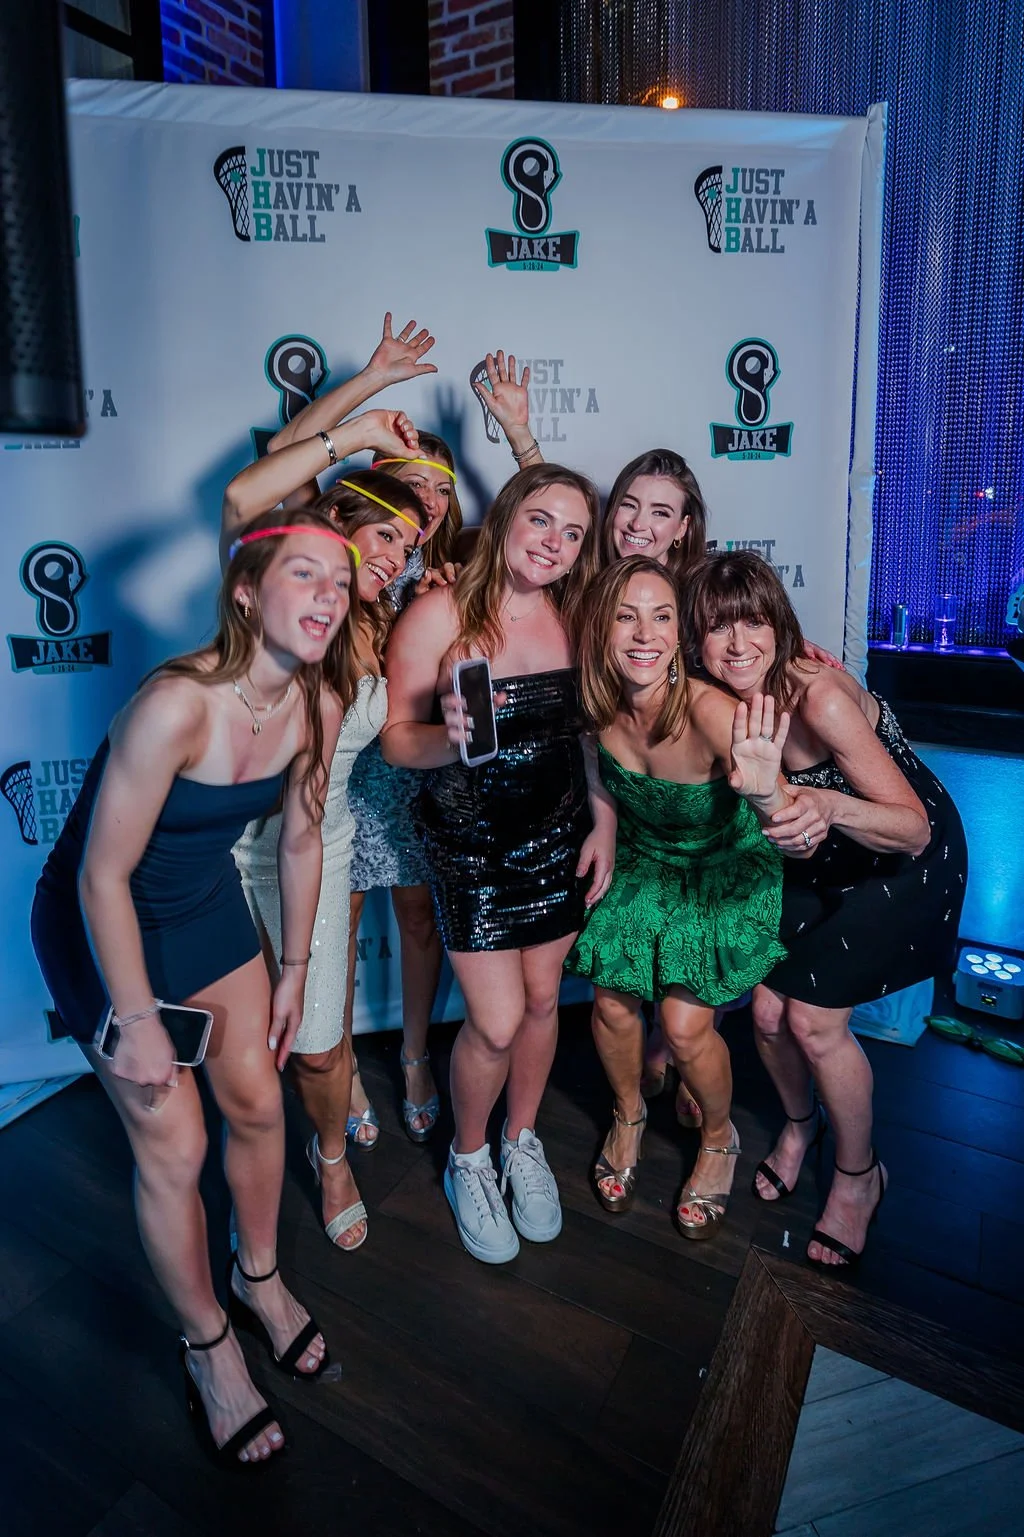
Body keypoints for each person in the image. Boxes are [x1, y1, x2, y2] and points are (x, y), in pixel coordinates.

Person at [30, 510, 359, 1464]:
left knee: (259, 1100)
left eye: (339, 583)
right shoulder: (177, 703)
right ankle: (209, 1348)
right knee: (174, 1140)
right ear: (248, 592)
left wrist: (294, 965)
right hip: (102, 923)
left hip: (203, 902)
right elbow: (98, 878)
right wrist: (131, 1018)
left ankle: (257, 1276)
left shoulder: (318, 701)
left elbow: (300, 836)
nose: (330, 596)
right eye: (306, 575)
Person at [688, 549, 968, 1269]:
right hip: (823, 851)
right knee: (768, 1011)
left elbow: (913, 827)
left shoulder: (822, 697)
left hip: (903, 852)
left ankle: (858, 1176)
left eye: (752, 621)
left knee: (812, 1021)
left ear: (779, 624)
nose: (738, 643)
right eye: (719, 629)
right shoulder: (718, 702)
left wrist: (825, 801)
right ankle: (798, 1123)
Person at [380, 463, 615, 1264]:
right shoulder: (437, 613)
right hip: (470, 843)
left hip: (557, 834)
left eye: (574, 532)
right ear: (509, 514)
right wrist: (447, 734)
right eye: (542, 520)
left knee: (546, 999)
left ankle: (521, 1140)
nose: (554, 542)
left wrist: (604, 820)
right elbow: (395, 740)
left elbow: (589, 738)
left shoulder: (579, 618)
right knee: (496, 1018)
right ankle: (469, 1156)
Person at [226, 447, 428, 1248]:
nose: (395, 557)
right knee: (244, 1057)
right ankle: (253, 1196)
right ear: (332, 525)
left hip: (324, 844)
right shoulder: (277, 605)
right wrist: (368, 409)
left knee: (316, 1049)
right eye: (381, 535)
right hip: (231, 855)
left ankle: (332, 1152)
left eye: (405, 547)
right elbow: (254, 486)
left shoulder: (383, 622)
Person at [565, 558, 797, 1238]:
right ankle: (629, 1113)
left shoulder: (713, 713)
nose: (645, 633)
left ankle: (720, 1136)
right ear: (601, 628)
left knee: (687, 1024)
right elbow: (596, 768)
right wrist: (604, 824)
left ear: (679, 631)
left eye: (662, 615)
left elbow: (790, 828)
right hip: (647, 857)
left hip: (723, 866)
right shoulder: (596, 701)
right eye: (626, 615)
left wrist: (766, 790)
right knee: (609, 1001)